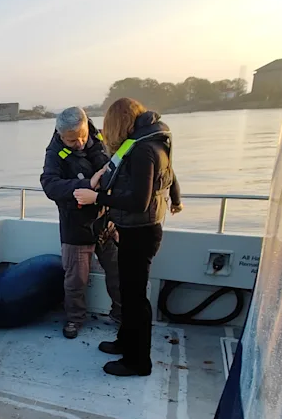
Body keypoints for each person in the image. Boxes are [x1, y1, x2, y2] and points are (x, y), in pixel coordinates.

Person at [74, 98, 183, 377]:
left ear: (118, 123)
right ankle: (125, 341)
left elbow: (138, 201)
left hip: (141, 232)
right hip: (138, 230)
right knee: (128, 290)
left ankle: (138, 362)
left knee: (135, 299)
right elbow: (172, 176)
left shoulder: (143, 150)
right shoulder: (154, 142)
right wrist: (176, 200)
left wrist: (95, 196)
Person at [40, 107, 122, 339]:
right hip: (75, 225)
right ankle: (75, 319)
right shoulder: (54, 153)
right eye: (72, 140)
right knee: (76, 280)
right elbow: (50, 185)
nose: (79, 143)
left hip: (107, 221)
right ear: (59, 134)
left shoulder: (102, 136)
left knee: (118, 273)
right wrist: (87, 184)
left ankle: (121, 313)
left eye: (82, 136)